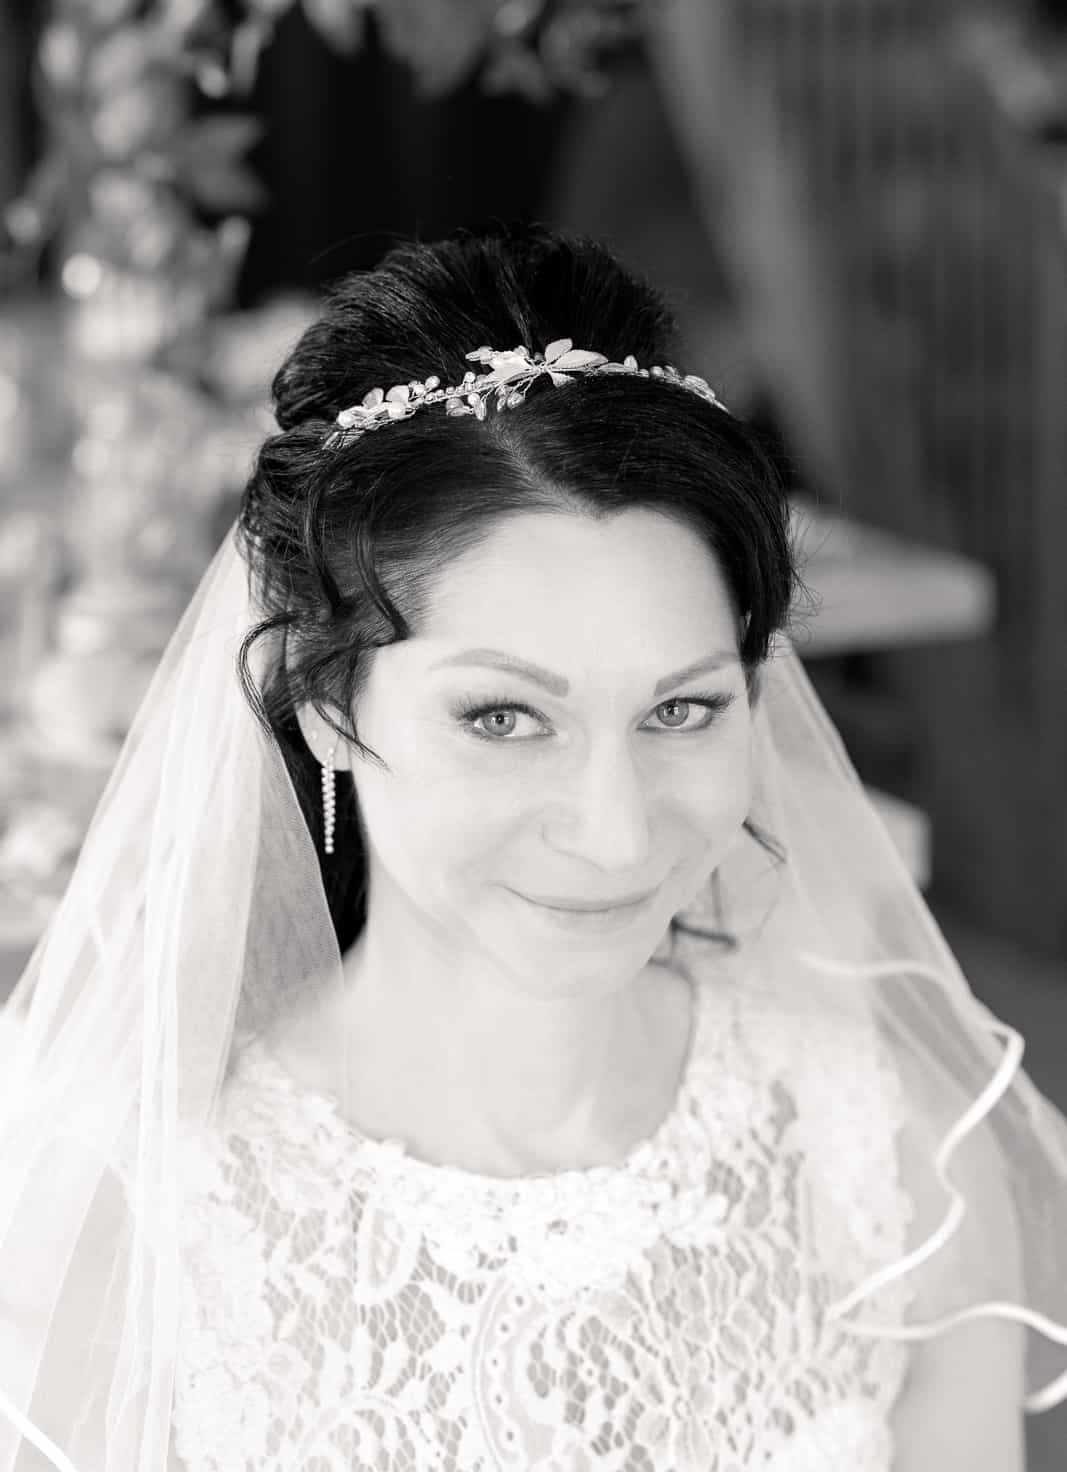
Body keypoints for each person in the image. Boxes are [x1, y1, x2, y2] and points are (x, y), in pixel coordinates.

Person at [1, 226, 1066, 1472]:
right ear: (328, 702)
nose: (614, 831)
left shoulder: (894, 1163)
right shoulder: (121, 1238)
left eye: (681, 709)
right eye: (504, 717)